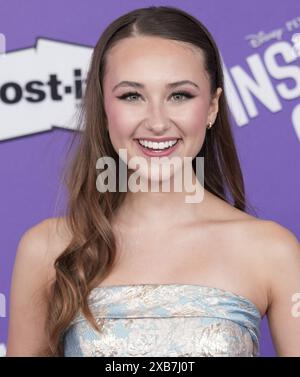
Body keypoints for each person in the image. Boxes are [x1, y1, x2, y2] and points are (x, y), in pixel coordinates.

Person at [6, 6, 300, 357]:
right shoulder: (47, 248)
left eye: (180, 95)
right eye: (132, 96)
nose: (157, 122)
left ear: (212, 107)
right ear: (102, 108)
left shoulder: (271, 250)